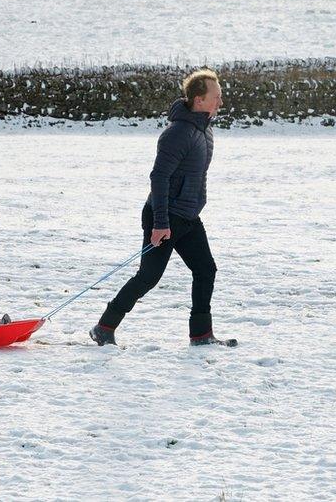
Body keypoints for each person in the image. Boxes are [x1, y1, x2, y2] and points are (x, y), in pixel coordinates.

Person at [89, 69, 237, 347]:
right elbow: (159, 177)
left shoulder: (205, 130)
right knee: (148, 277)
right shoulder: (177, 133)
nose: (221, 102)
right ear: (199, 100)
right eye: (216, 97)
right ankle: (104, 327)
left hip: (189, 216)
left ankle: (201, 335)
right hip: (165, 215)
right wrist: (159, 223)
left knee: (205, 269)